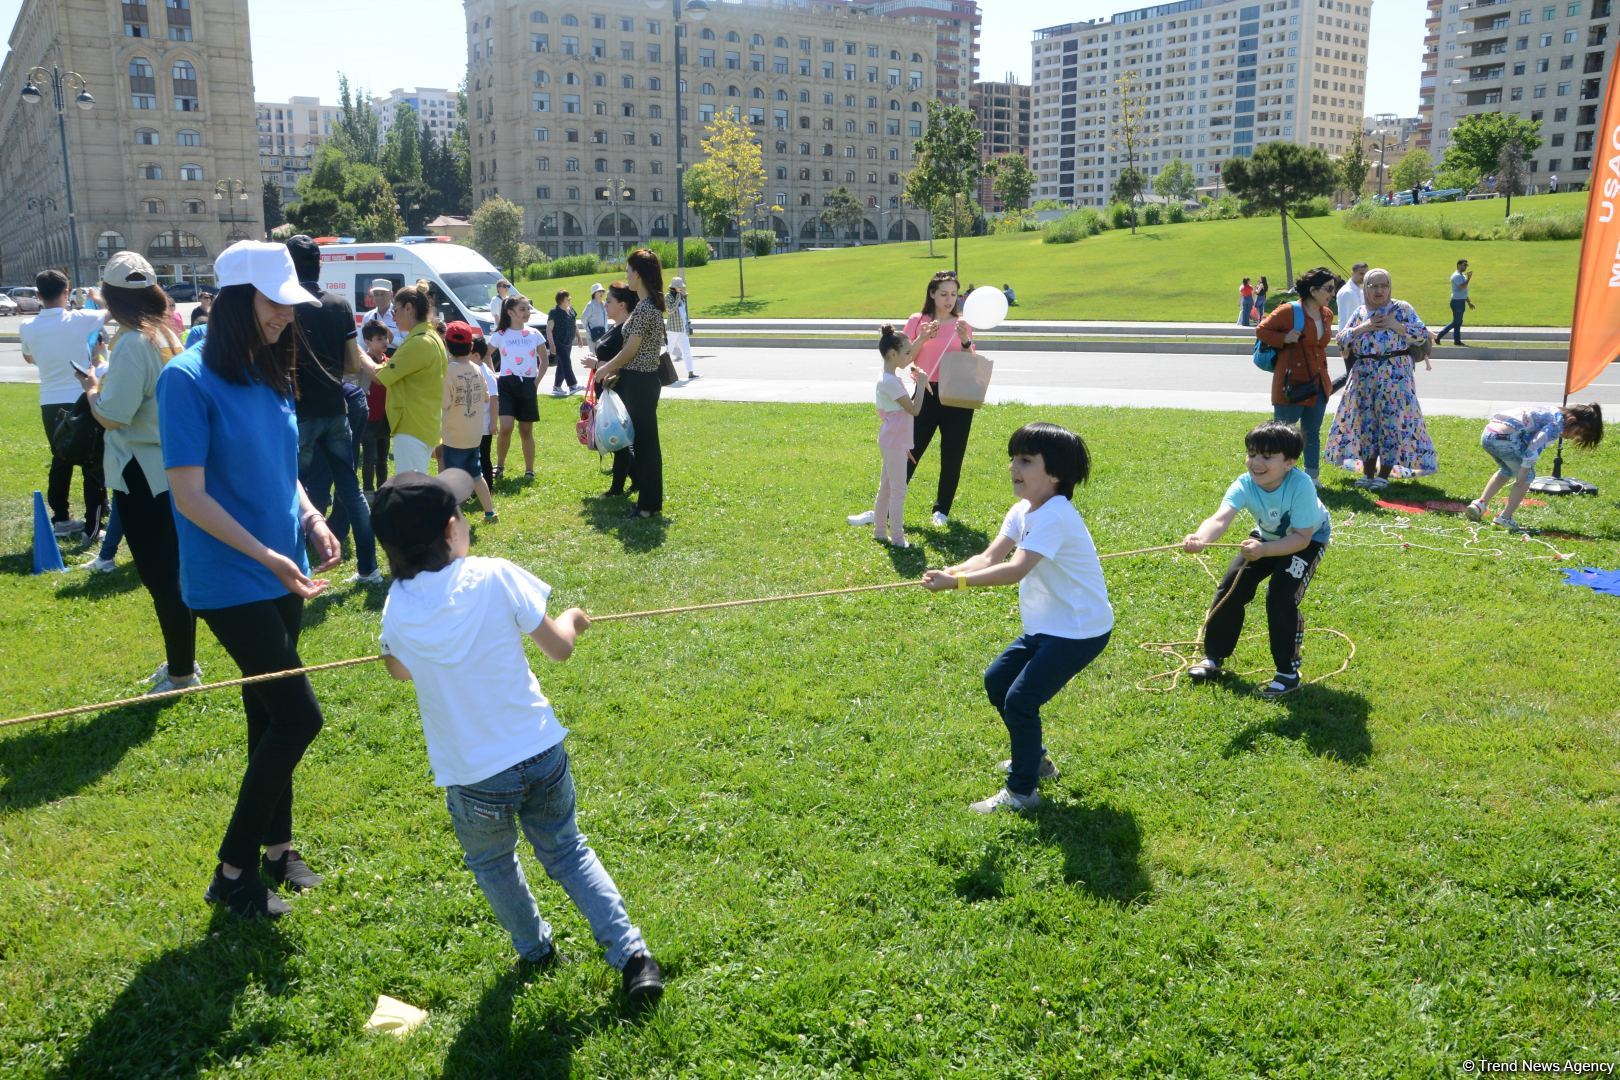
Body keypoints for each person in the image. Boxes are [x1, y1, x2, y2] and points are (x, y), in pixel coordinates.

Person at [370, 470, 665, 1002]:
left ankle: (535, 950)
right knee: (568, 852)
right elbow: (559, 648)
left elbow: (399, 671)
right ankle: (634, 957)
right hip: (539, 750)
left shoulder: (397, 608)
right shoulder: (494, 575)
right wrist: (573, 619)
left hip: (473, 776)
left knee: (492, 862)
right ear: (450, 529)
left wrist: (402, 647)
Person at [156, 240, 341, 919]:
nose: (287, 318)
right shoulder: (186, 377)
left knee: (267, 716)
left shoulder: (269, 370)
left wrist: (312, 516)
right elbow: (190, 496)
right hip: (231, 578)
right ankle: (232, 874)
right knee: (299, 715)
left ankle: (277, 850)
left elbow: (280, 468)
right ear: (237, 299)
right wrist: (268, 555)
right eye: (275, 303)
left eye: (292, 306)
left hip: (278, 568)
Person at [920, 423, 1112, 813]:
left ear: (1055, 473)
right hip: (1046, 626)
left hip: (1078, 630)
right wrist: (953, 571)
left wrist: (956, 586)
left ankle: (1022, 792)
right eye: (1013, 458)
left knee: (1021, 700)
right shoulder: (1023, 510)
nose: (1013, 467)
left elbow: (1014, 570)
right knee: (999, 682)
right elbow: (990, 558)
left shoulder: (1055, 515)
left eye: (1025, 460)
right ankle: (1036, 760)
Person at [71, 251, 199, 694]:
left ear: (110, 296)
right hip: (172, 466)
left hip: (144, 473)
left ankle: (183, 672)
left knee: (161, 576)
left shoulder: (131, 341)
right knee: (172, 573)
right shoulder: (164, 332)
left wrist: (91, 390)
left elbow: (115, 414)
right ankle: (183, 663)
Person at [1181, 421, 1331, 698]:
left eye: (1267, 456)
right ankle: (1213, 657)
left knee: (1280, 597)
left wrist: (1264, 551)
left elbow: (1301, 538)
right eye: (1252, 453)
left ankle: (1287, 672)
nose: (1256, 462)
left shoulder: (1301, 486)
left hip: (1306, 540)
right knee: (1231, 587)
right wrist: (1201, 538)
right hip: (1266, 536)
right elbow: (1220, 518)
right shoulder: (1244, 483)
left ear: (1289, 462)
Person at [285, 235, 382, 585]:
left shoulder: (282, 306)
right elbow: (350, 362)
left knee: (295, 494)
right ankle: (369, 569)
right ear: (320, 266)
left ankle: (299, 571)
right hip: (335, 407)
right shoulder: (340, 305)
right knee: (351, 490)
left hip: (298, 412)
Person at [1325, 268, 1438, 489]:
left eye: (1383, 285)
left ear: (1389, 287)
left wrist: (1395, 326)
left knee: (1391, 423)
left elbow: (1422, 333)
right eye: (1373, 285)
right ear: (1365, 288)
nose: (1379, 290)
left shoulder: (1402, 308)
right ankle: (1368, 474)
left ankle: (1383, 475)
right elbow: (1341, 339)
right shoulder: (1360, 312)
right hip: (1364, 376)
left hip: (1395, 376)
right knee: (1366, 424)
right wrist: (1363, 328)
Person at [880, 271, 976, 528]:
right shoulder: (917, 320)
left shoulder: (963, 323)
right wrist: (923, 337)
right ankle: (887, 506)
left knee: (953, 454)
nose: (949, 300)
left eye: (954, 295)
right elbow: (904, 361)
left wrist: (965, 339)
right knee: (908, 451)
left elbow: (971, 362)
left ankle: (941, 510)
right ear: (932, 294)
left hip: (957, 395)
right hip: (926, 393)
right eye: (943, 294)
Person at [19, 268, 110, 537]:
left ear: (37, 295)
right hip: (82, 397)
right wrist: (98, 296)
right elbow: (112, 311)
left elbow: (29, 358)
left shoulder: (27, 326)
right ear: (66, 292)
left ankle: (60, 519)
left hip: (49, 401)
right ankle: (95, 523)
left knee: (61, 459)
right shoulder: (80, 319)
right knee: (93, 460)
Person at [594, 249, 668, 519]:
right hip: (639, 380)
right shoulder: (645, 306)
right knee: (644, 443)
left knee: (647, 446)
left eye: (628, 271)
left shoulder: (646, 309)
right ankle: (648, 503)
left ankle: (648, 506)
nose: (626, 275)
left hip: (642, 382)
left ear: (638, 273)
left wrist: (605, 367)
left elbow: (631, 349)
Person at [1465, 404, 1604, 532]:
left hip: (1489, 434)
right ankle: (1505, 518)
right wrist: (1525, 469)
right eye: (1576, 434)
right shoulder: (1556, 425)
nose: (1572, 438)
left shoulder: (1550, 411)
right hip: (1505, 438)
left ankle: (1479, 504)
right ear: (1573, 421)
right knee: (1527, 477)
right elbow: (1535, 444)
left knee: (1507, 470)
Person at [1258, 267, 1339, 486]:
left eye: (1335, 288)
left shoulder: (1326, 314)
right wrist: (1284, 337)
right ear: (1313, 290)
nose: (1333, 293)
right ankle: (1276, 475)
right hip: (1291, 383)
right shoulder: (1288, 311)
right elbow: (1262, 331)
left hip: (1318, 382)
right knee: (1283, 433)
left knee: (1311, 432)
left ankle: (1312, 478)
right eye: (1329, 289)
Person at [860, 323, 930, 547]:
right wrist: (921, 385)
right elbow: (915, 410)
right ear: (892, 354)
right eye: (907, 352)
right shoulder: (889, 381)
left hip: (894, 440)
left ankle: (880, 531)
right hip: (893, 441)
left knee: (888, 487)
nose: (911, 357)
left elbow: (903, 411)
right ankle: (897, 537)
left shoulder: (888, 378)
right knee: (898, 490)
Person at [373, 286, 447, 476]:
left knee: (410, 490)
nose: (393, 316)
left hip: (412, 427)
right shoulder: (431, 336)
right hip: (424, 422)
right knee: (415, 487)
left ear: (408, 308)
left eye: (394, 310)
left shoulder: (418, 342)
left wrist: (358, 355)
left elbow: (381, 377)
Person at [440, 321, 498, 522]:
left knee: (452, 477)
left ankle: (452, 517)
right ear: (471, 347)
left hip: (454, 435)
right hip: (474, 435)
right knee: (475, 474)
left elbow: (444, 403)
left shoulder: (448, 371)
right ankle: (490, 512)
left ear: (447, 346)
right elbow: (485, 397)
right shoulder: (476, 368)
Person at [592, 283, 641, 499]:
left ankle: (616, 489)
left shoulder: (625, 330)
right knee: (617, 438)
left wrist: (597, 365)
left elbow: (623, 362)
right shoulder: (615, 327)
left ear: (622, 305)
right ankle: (637, 480)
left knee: (618, 440)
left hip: (616, 391)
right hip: (606, 390)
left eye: (609, 301)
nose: (605, 305)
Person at [490, 294, 546, 481]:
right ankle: (500, 465)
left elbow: (544, 361)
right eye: (522, 309)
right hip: (506, 384)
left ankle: (529, 470)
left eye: (528, 308)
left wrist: (536, 382)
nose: (527, 312)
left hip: (528, 384)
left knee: (526, 430)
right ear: (510, 312)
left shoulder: (534, 334)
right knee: (505, 427)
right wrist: (493, 374)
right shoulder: (500, 335)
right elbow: (485, 355)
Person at [359, 322, 392, 493]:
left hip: (385, 418)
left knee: (383, 458)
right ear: (368, 341)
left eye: (385, 337)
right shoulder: (363, 364)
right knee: (369, 458)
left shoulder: (390, 362)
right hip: (368, 418)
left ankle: (383, 489)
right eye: (379, 339)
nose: (385, 342)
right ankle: (368, 490)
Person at [470, 335, 499, 493]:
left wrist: (493, 423)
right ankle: (475, 488)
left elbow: (494, 399)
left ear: (475, 355)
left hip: (484, 424)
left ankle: (488, 487)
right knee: (474, 456)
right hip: (473, 424)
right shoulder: (471, 369)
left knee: (484, 456)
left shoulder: (486, 373)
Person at [544, 290, 581, 397]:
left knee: (562, 365)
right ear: (561, 301)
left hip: (568, 342)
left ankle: (556, 387)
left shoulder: (571, 310)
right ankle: (572, 385)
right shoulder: (554, 312)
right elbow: (548, 329)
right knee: (566, 363)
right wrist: (552, 345)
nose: (570, 300)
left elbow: (574, 325)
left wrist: (579, 337)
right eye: (568, 299)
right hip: (558, 342)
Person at [1432, 258, 1474, 347]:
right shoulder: (1456, 276)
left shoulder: (1462, 276)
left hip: (1461, 301)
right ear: (1459, 265)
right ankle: (1438, 336)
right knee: (1456, 322)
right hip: (1457, 302)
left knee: (1458, 322)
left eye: (1467, 265)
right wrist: (1469, 278)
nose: (1466, 267)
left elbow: (1464, 291)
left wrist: (1469, 302)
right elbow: (1462, 287)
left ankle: (1457, 341)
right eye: (1464, 265)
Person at [665, 277, 696, 380]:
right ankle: (661, 373)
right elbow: (670, 311)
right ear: (674, 287)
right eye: (680, 287)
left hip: (682, 329)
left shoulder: (682, 296)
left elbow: (684, 312)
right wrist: (678, 297)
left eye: (682, 287)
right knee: (668, 352)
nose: (682, 288)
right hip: (673, 329)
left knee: (687, 351)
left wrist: (687, 324)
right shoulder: (668, 297)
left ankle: (691, 373)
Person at [360, 279, 404, 351]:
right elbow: (362, 343)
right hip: (373, 359)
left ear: (391, 295)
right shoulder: (368, 316)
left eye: (383, 294)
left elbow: (408, 343)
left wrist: (392, 339)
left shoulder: (401, 315)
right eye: (376, 294)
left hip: (396, 358)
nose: (379, 298)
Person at [1335, 262, 1368, 336]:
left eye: (1366, 274)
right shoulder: (1346, 292)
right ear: (1352, 273)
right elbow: (1343, 319)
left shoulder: (1360, 290)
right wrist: (1344, 339)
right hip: (1350, 337)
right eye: (1361, 274)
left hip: (1360, 335)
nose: (1364, 277)